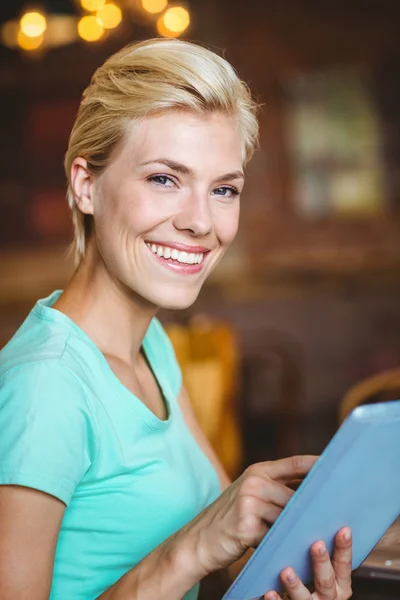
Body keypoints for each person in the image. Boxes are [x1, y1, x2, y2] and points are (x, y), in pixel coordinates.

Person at [0, 38, 352, 600]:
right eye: (164, 178)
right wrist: (189, 549)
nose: (200, 221)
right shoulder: (44, 386)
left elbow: (230, 549)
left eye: (223, 189)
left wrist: (295, 576)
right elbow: (202, 540)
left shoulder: (151, 345)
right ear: (86, 185)